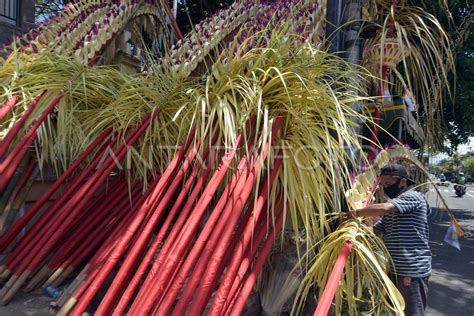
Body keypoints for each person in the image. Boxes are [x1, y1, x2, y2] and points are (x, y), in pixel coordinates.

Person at [347, 164, 431, 316]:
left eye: (388, 183)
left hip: (411, 271)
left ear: (403, 182)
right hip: (394, 268)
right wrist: (353, 232)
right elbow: (376, 231)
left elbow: (385, 208)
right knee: (396, 310)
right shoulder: (394, 210)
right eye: (383, 184)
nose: (385, 187)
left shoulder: (413, 197)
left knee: (411, 312)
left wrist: (353, 213)